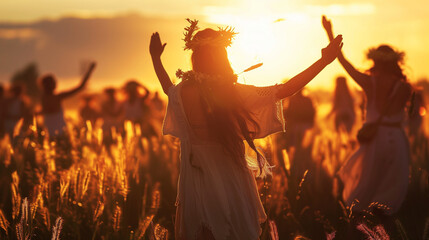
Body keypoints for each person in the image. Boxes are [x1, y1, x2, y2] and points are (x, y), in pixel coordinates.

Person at [150, 18, 342, 240]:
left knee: (201, 232)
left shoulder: (183, 91)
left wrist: (155, 59)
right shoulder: (231, 93)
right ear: (222, 57)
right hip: (229, 176)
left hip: (195, 176)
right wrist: (323, 62)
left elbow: (167, 87)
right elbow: (285, 90)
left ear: (195, 56)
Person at [322, 16, 412, 216]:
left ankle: (361, 229)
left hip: (375, 141)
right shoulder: (405, 88)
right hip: (397, 140)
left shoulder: (369, 83)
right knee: (391, 188)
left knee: (368, 185)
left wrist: (329, 33)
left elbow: (344, 63)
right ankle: (383, 228)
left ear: (375, 61)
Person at [39, 62, 96, 138]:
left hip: (49, 129)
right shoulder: (56, 97)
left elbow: (80, 87)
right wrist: (89, 71)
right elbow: (80, 87)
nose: (55, 84)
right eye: (53, 82)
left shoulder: (44, 98)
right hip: (59, 130)